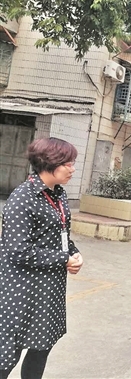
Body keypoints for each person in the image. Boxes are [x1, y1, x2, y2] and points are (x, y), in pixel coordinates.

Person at [0, 137, 84, 379]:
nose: (72, 169)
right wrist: (63, 259)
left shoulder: (58, 194)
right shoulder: (22, 197)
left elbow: (60, 233)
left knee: (42, 346)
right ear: (49, 162)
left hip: (50, 288)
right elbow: (18, 250)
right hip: (22, 289)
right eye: (68, 164)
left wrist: (73, 252)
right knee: (9, 352)